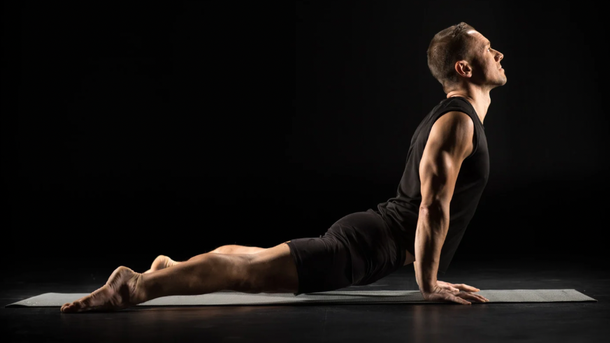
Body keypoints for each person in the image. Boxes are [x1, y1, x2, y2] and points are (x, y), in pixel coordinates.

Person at [60, 22, 505, 312]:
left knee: (257, 258)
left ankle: (169, 267)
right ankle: (133, 286)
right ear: (465, 67)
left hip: (373, 236)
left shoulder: (458, 119)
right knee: (250, 276)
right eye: (488, 48)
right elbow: (432, 207)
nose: (498, 53)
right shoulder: (456, 123)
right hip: (370, 246)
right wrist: (429, 284)